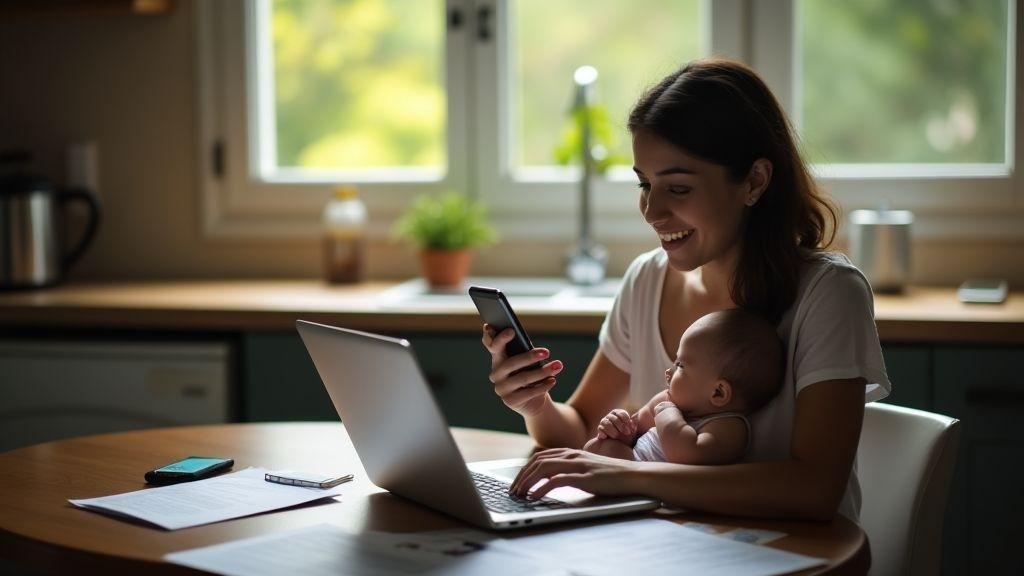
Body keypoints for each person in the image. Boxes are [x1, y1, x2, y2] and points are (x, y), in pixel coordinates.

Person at [481, 57, 890, 522]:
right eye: (645, 184)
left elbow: (814, 488)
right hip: (667, 549)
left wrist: (630, 476)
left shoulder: (828, 294)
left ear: (755, 180)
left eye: (677, 188)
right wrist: (535, 404)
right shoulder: (646, 280)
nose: (652, 212)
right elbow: (581, 437)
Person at [583, 309, 784, 466]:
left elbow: (686, 455)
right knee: (596, 448)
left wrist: (668, 414)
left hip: (648, 484)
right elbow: (636, 426)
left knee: (602, 457)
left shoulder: (728, 427)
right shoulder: (670, 401)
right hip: (629, 465)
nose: (668, 373)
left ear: (718, 392)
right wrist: (621, 428)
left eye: (680, 365)